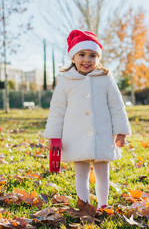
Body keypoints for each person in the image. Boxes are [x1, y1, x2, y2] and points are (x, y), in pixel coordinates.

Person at [43, 29, 131, 209]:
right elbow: (57, 110)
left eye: (92, 55)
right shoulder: (66, 80)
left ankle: (103, 204)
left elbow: (116, 105)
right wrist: (54, 136)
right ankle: (83, 204)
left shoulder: (105, 78)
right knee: (81, 173)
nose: (87, 59)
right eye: (81, 54)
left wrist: (121, 131)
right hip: (76, 135)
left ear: (98, 58)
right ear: (73, 57)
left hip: (102, 134)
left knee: (102, 173)